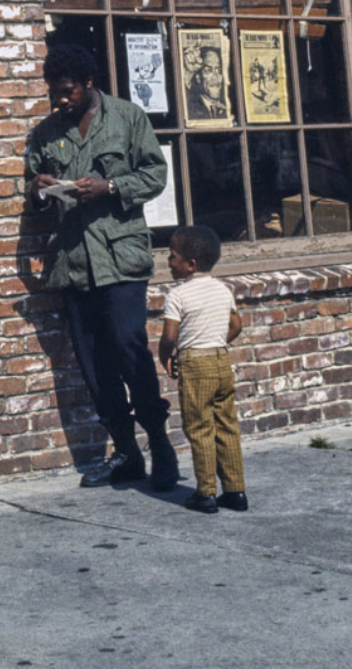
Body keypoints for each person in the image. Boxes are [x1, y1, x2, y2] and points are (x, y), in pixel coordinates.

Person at [26, 42, 178, 490]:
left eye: (68, 92)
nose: (60, 100)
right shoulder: (46, 132)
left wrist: (110, 186)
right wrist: (39, 187)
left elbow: (155, 175)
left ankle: (160, 446)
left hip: (121, 260)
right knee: (94, 365)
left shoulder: (128, 118)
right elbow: (33, 191)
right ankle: (126, 454)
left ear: (89, 83)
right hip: (73, 263)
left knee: (130, 350)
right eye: (55, 93)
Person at [158, 225, 247, 515]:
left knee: (199, 428)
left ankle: (206, 493)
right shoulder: (223, 290)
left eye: (172, 257)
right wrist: (217, 342)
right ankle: (235, 491)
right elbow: (236, 325)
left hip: (195, 364)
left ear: (190, 264)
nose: (169, 263)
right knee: (226, 425)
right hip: (221, 360)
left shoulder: (177, 295)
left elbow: (170, 336)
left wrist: (166, 356)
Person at [185, 45, 230, 123]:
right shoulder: (191, 107)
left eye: (219, 70)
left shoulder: (226, 109)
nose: (215, 77)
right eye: (208, 70)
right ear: (198, 78)